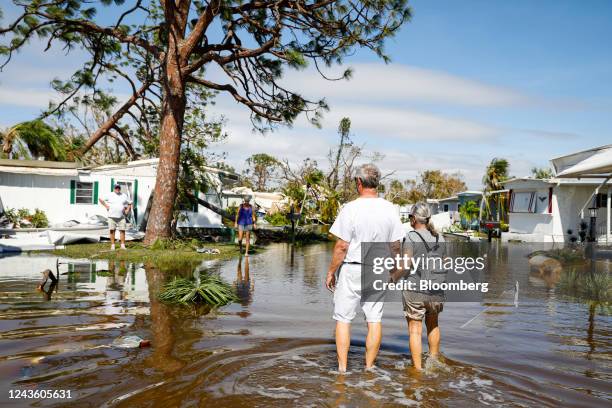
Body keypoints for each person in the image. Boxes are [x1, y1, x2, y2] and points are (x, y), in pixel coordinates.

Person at [325, 163, 404, 373]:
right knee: (374, 319)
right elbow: (396, 246)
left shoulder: (350, 208)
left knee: (343, 319)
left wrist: (331, 272)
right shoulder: (390, 209)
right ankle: (369, 368)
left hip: (352, 268)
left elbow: (342, 246)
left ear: (359, 183)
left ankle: (342, 370)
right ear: (377, 183)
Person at [401, 202, 445, 371]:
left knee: (415, 330)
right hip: (436, 289)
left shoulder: (411, 237)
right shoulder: (439, 237)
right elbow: (445, 262)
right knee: (433, 324)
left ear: (413, 219)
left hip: (416, 289)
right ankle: (433, 362)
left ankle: (418, 371)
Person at [99, 184, 132, 250]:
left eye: (118, 188)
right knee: (112, 230)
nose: (117, 189)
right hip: (111, 216)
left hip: (121, 217)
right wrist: (106, 206)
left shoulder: (124, 195)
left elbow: (130, 202)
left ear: (120, 188)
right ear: (114, 189)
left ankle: (122, 245)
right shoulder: (109, 194)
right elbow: (100, 199)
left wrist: (127, 210)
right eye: (116, 188)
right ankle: (113, 245)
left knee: (122, 231)